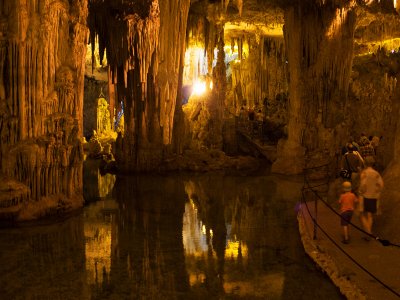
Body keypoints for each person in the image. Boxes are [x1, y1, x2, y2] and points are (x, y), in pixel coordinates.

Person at [358, 159, 384, 240]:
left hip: (365, 196)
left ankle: (368, 232)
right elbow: (381, 184)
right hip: (373, 197)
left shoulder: (364, 173)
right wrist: (376, 191)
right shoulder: (376, 173)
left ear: (365, 164)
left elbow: (363, 184)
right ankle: (368, 233)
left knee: (361, 215)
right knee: (370, 215)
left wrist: (361, 192)